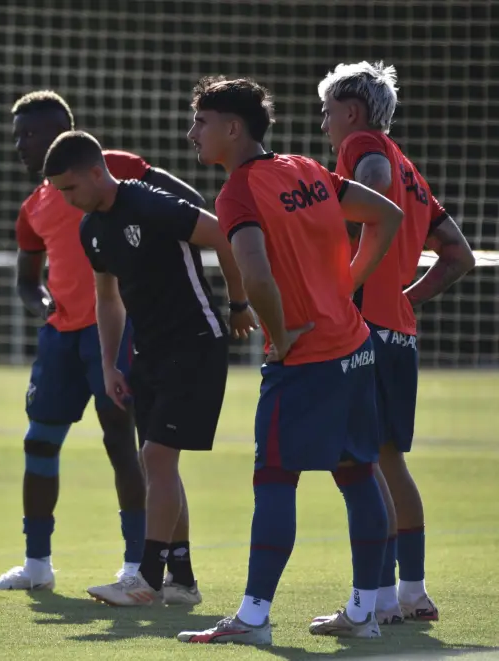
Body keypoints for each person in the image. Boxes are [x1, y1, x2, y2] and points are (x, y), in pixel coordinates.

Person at [176, 76, 403, 645]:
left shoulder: (238, 192)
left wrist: (284, 336)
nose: (192, 133)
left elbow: (254, 275)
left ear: (233, 128)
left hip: (307, 360)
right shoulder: (304, 167)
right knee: (358, 476)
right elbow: (388, 216)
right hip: (355, 347)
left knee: (275, 479)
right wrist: (347, 285)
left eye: (201, 122)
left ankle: (253, 619)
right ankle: (364, 612)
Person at [0, 90, 211, 601]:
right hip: (59, 339)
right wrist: (40, 303)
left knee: (123, 445)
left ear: (62, 128)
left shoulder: (117, 169)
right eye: (16, 135)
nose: (21, 144)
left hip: (116, 333)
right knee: (38, 442)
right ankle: (36, 563)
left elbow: (188, 206)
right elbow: (26, 279)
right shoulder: (34, 206)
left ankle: (136, 564)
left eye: (30, 133)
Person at [39, 129, 256, 606]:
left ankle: (146, 579)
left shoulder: (149, 203)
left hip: (196, 343)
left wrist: (239, 303)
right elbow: (107, 297)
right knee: (157, 462)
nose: (67, 200)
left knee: (157, 459)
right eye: (58, 192)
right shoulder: (89, 229)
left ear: (98, 172)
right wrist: (110, 364)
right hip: (148, 354)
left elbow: (220, 231)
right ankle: (182, 581)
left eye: (71, 189)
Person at [318, 60, 475, 624]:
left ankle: (378, 600)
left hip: (361, 330)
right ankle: (411, 592)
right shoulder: (411, 168)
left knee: (357, 462)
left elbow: (374, 184)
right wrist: (406, 296)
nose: (325, 124)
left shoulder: (365, 148)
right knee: (389, 463)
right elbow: (458, 255)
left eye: (328, 111)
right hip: (398, 332)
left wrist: (353, 274)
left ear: (353, 113)